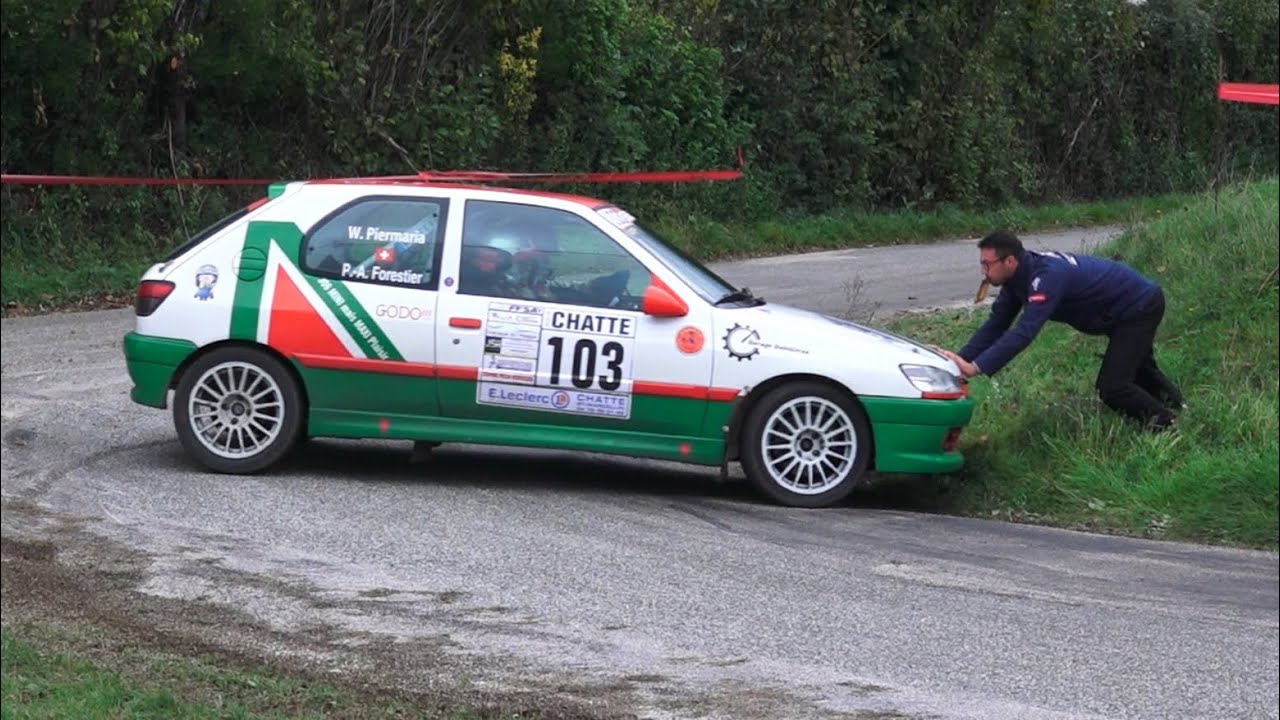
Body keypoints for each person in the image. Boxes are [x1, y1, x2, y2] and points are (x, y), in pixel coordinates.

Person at [937, 229, 1185, 431]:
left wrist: (976, 367)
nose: (983, 271)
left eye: (986, 264)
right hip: (1121, 310)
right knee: (1140, 369)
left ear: (1009, 261)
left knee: (1113, 386)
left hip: (1139, 305)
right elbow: (996, 324)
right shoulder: (1016, 279)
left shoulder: (1047, 277)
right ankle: (1181, 410)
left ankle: (1167, 426)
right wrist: (956, 362)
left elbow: (1024, 332)